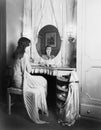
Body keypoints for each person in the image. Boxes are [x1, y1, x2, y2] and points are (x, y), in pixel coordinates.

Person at [12, 37, 48, 124]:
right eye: (29, 45)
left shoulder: (16, 54)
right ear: (25, 46)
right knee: (43, 81)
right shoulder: (25, 55)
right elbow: (30, 70)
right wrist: (29, 62)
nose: (29, 47)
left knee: (41, 83)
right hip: (21, 82)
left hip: (15, 80)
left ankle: (39, 107)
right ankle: (40, 107)